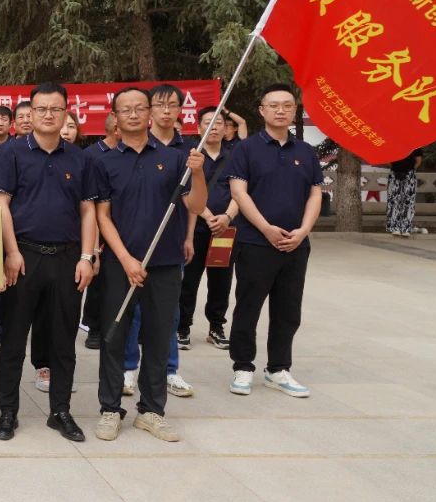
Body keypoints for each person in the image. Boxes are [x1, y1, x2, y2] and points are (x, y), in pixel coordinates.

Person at [94, 86, 206, 443]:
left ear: (151, 113)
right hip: (120, 264)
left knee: (159, 337)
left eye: (140, 107)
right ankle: (110, 408)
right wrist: (126, 259)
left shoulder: (175, 158)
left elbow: (195, 205)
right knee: (114, 337)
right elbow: (102, 215)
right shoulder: (104, 161)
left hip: (165, 263)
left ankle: (152, 411)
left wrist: (198, 173)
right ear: (114, 117)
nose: (133, 114)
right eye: (125, 109)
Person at [0, 83, 98, 442]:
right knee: (13, 339)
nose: (48, 115)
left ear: (66, 112)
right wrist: (11, 252)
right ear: (30, 113)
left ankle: (60, 411)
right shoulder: (11, 153)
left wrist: (87, 257)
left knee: (63, 341)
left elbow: (88, 210)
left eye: (56, 109)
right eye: (41, 109)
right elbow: (2, 205)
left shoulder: (81, 158)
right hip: (24, 256)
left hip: (67, 258)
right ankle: (8, 411)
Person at [225, 84, 323, 398]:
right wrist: (266, 228)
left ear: (294, 110)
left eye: (287, 105)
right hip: (256, 243)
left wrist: (303, 230)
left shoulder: (305, 152)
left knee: (288, 310)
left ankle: (278, 369)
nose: (281, 110)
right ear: (262, 110)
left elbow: (315, 193)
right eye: (274, 105)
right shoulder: (246, 149)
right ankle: (243, 366)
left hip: (295, 245)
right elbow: (238, 192)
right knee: (248, 307)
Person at [125, 83, 195, 399]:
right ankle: (129, 367)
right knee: (132, 310)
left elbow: (191, 201)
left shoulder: (189, 149)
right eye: (159, 105)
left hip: (170, 245)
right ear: (149, 109)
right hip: (134, 244)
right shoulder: (137, 143)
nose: (166, 111)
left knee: (169, 312)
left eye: (172, 105)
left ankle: (169, 370)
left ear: (181, 110)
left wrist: (189, 236)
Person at [178, 107, 239, 351]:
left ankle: (216, 327)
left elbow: (241, 192)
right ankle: (182, 327)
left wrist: (226, 217)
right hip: (196, 228)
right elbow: (185, 192)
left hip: (225, 230)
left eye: (218, 123)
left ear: (226, 129)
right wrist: (208, 215)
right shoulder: (191, 156)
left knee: (221, 282)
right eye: (207, 122)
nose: (213, 127)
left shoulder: (235, 156)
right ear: (198, 127)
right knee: (189, 282)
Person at [81, 112, 120, 350]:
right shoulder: (91, 155)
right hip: (97, 222)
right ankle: (93, 327)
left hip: (122, 224)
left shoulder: (128, 154)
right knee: (97, 281)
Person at [386, 148, 424, 237]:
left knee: (408, 201)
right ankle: (394, 227)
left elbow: (418, 160)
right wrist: (395, 169)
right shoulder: (391, 144)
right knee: (393, 200)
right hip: (394, 174)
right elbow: (387, 159)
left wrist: (411, 170)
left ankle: (406, 228)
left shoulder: (415, 145)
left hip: (409, 175)